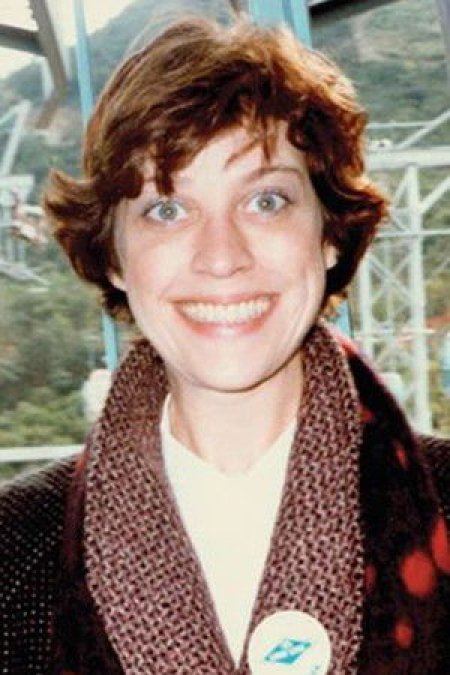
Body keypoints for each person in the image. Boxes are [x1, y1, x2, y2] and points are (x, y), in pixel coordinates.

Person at [1, 15, 450, 675]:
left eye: (265, 201)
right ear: (114, 255)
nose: (221, 256)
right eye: (166, 209)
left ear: (329, 232)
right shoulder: (15, 554)